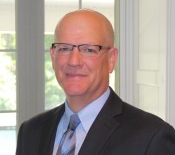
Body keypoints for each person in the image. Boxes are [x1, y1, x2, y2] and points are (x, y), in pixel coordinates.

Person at [16, 9, 175, 155]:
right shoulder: (31, 131)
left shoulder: (152, 137)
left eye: (89, 50)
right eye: (64, 48)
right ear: (53, 55)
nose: (74, 61)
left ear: (111, 59)